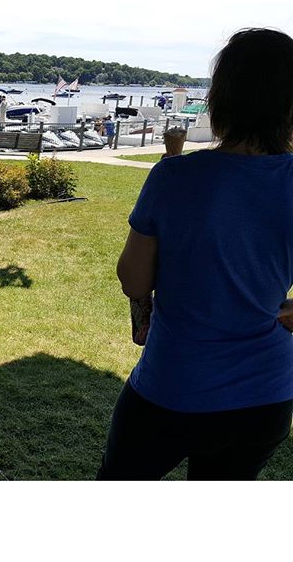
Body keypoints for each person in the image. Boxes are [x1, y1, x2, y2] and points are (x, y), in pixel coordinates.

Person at [97, 28, 293, 481]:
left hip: (174, 386)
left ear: (222, 97)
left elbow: (133, 280)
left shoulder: (175, 177)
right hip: (266, 396)